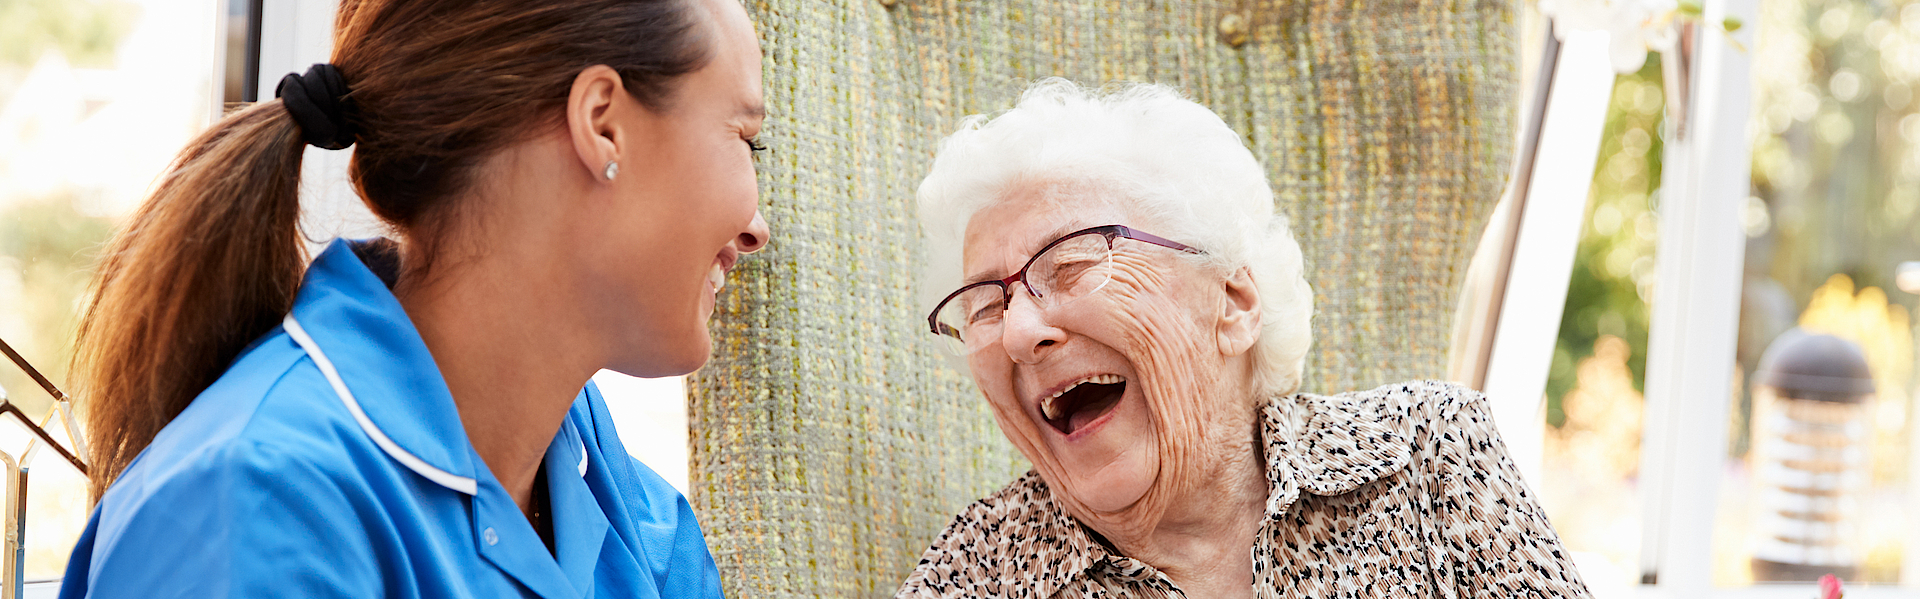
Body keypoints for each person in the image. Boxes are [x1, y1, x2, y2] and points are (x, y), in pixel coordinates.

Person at [59, 0, 769, 596]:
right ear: (603, 121)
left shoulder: (640, 531)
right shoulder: (252, 509)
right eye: (745, 138)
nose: (757, 229)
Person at [898, 79, 1592, 599]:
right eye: (985, 305)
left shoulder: (1425, 454)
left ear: (1233, 301)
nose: (1019, 330)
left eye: (1075, 262)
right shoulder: (975, 574)